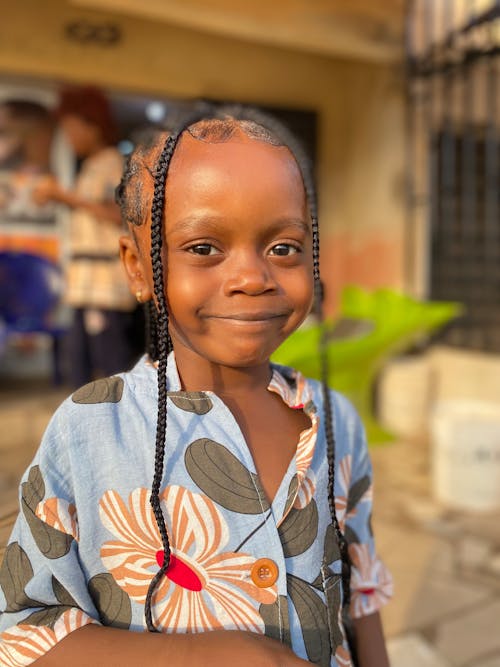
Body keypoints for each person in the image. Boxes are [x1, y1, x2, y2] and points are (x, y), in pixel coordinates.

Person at [0, 108, 393, 666]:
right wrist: (224, 656)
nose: (252, 278)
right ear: (138, 269)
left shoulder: (335, 419)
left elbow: (360, 591)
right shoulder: (88, 429)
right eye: (205, 248)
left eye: (283, 248)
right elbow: (26, 629)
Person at [33, 85, 136, 388]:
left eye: (71, 129)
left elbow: (120, 214)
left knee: (110, 365)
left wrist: (65, 197)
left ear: (93, 126)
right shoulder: (90, 166)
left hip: (105, 284)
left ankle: (117, 427)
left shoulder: (112, 163)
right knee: (78, 363)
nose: (69, 137)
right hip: (83, 283)